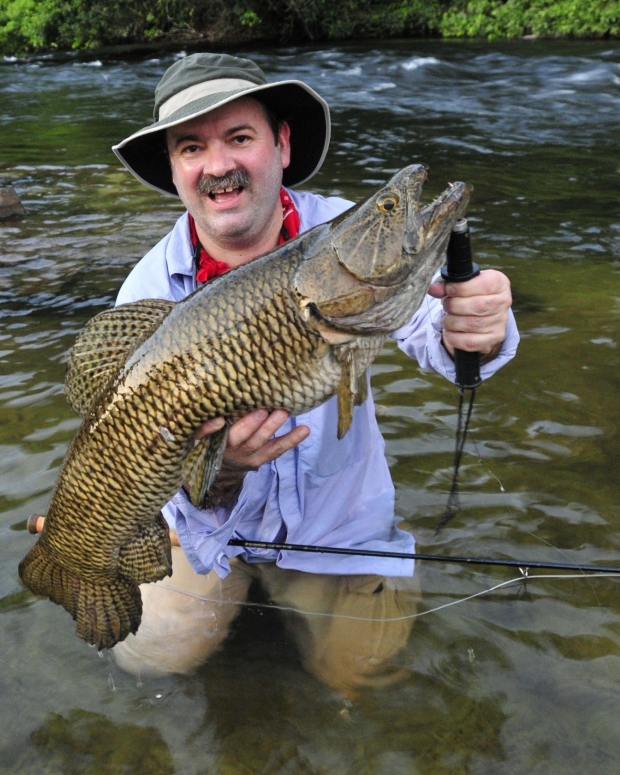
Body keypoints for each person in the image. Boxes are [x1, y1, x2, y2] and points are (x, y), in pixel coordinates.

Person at [107, 52, 518, 694]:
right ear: (174, 167)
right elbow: (142, 465)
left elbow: (441, 338)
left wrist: (479, 328)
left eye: (239, 137)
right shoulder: (146, 292)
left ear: (282, 144)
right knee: (150, 656)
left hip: (339, 534)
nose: (218, 166)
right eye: (192, 147)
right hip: (206, 534)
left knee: (355, 675)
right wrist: (223, 471)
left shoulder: (345, 237)